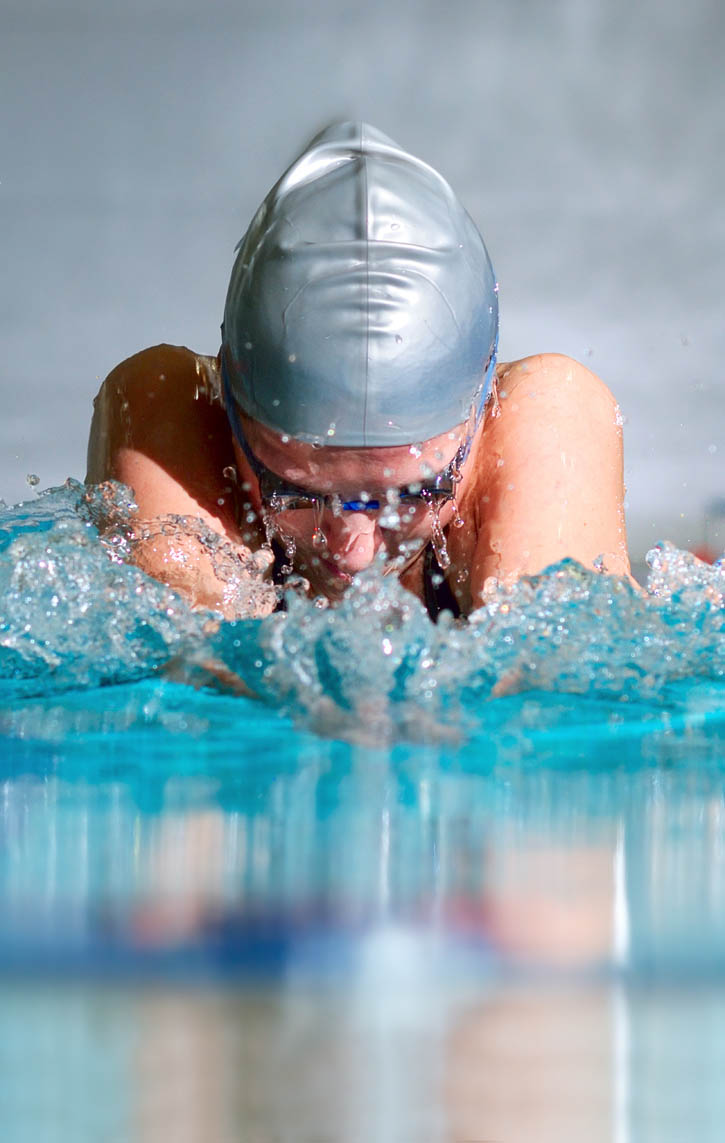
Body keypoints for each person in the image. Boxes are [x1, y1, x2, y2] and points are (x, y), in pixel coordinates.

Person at [87, 122, 631, 621]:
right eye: (295, 490)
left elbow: (554, 692)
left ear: (479, 416)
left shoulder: (544, 415)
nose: (354, 551)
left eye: (412, 492)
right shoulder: (172, 405)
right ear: (229, 405)